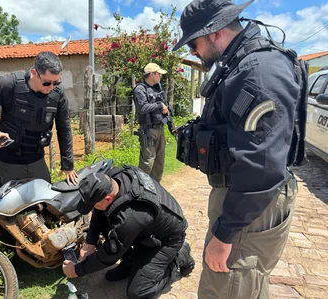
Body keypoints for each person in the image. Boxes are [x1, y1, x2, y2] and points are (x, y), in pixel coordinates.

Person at [173, 0, 306, 298]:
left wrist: (226, 232)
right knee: (244, 286)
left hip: (249, 206)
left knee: (228, 287)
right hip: (245, 202)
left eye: (194, 43)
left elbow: (261, 164)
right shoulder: (242, 64)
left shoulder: (259, 71)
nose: (192, 52)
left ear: (215, 33)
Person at [62, 166, 195, 299]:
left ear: (108, 198)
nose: (92, 209)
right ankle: (130, 261)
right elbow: (99, 213)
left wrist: (76, 270)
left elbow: (110, 254)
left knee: (138, 292)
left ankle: (178, 257)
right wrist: (90, 243)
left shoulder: (131, 217)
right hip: (146, 229)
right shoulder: (113, 179)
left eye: (93, 205)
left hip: (166, 240)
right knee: (106, 215)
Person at [0, 51, 78, 186]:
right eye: (47, 83)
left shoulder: (58, 94)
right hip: (8, 161)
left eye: (56, 82)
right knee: (5, 205)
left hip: (36, 161)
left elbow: (64, 128)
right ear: (35, 73)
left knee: (45, 203)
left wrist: (68, 164)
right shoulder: (9, 84)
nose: (52, 87)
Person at [133, 63, 169, 183]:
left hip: (160, 129)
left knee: (159, 163)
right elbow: (142, 108)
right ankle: (141, 190)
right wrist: (159, 105)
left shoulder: (157, 88)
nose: (160, 76)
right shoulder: (140, 89)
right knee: (147, 163)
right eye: (158, 74)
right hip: (148, 131)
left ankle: (156, 190)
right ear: (152, 74)